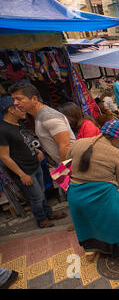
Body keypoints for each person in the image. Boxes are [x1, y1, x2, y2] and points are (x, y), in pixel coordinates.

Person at [67, 120, 119, 261]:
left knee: (85, 223)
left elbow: (68, 166)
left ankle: (90, 249)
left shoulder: (78, 143)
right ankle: (115, 248)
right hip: (104, 198)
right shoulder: (116, 153)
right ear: (115, 138)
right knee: (115, 217)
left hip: (75, 196)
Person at [0, 96, 68, 228]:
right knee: (36, 197)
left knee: (41, 193)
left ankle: (49, 213)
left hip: (35, 165)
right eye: (19, 107)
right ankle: (41, 220)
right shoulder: (3, 130)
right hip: (25, 171)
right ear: (11, 110)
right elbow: (4, 157)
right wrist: (22, 175)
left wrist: (37, 151)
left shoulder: (18, 123)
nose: (23, 109)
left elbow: (24, 142)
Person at [10, 82, 76, 165]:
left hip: (74, 166)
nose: (15, 103)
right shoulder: (39, 116)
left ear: (34, 99)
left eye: (19, 99)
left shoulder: (48, 116)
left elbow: (66, 146)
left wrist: (64, 170)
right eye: (14, 100)